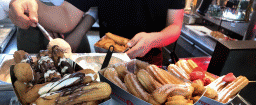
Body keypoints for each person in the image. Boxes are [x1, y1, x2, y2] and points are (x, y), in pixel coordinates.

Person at [9, 0, 185, 65]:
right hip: (109, 59)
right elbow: (65, 18)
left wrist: (153, 40)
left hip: (150, 60)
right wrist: (27, 3)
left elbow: (175, 26)